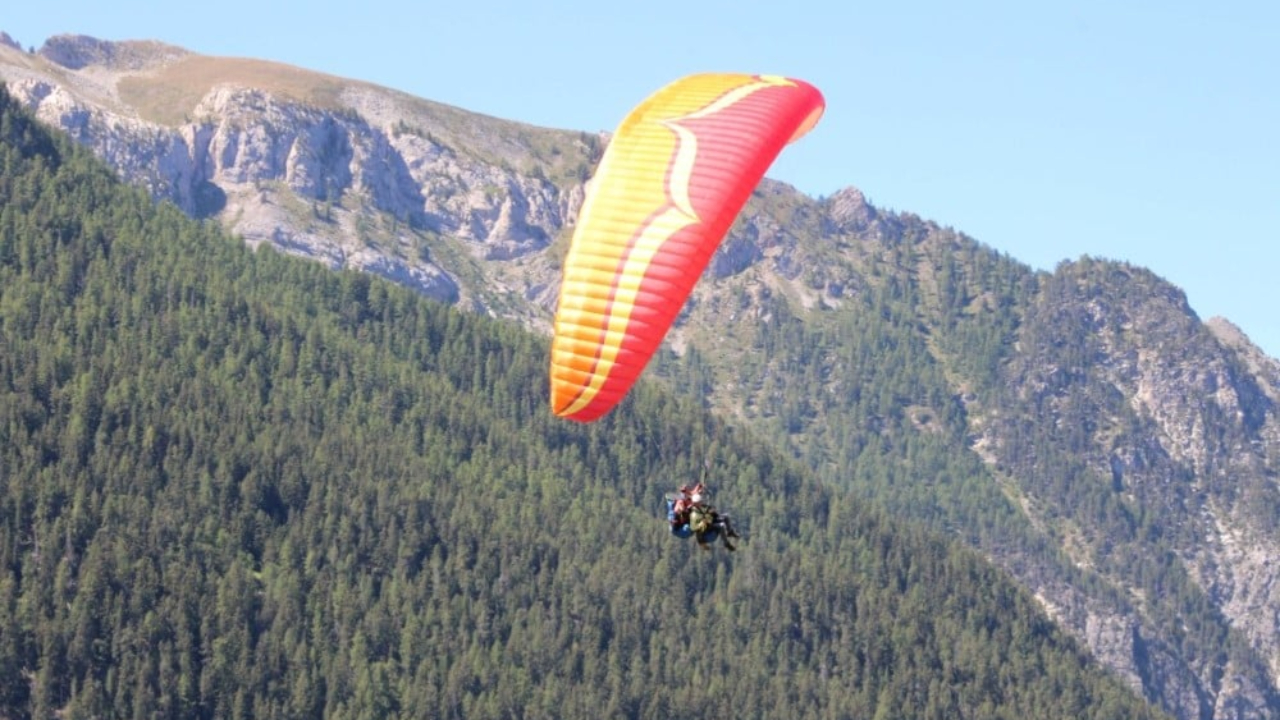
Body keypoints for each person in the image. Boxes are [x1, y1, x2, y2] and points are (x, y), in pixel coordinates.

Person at [665, 482, 740, 551]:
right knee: (721, 525)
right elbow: (694, 526)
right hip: (701, 526)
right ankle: (725, 543)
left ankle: (730, 532)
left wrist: (699, 485)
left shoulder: (693, 501)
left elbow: (693, 493)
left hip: (705, 519)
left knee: (726, 517)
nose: (701, 502)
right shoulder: (686, 508)